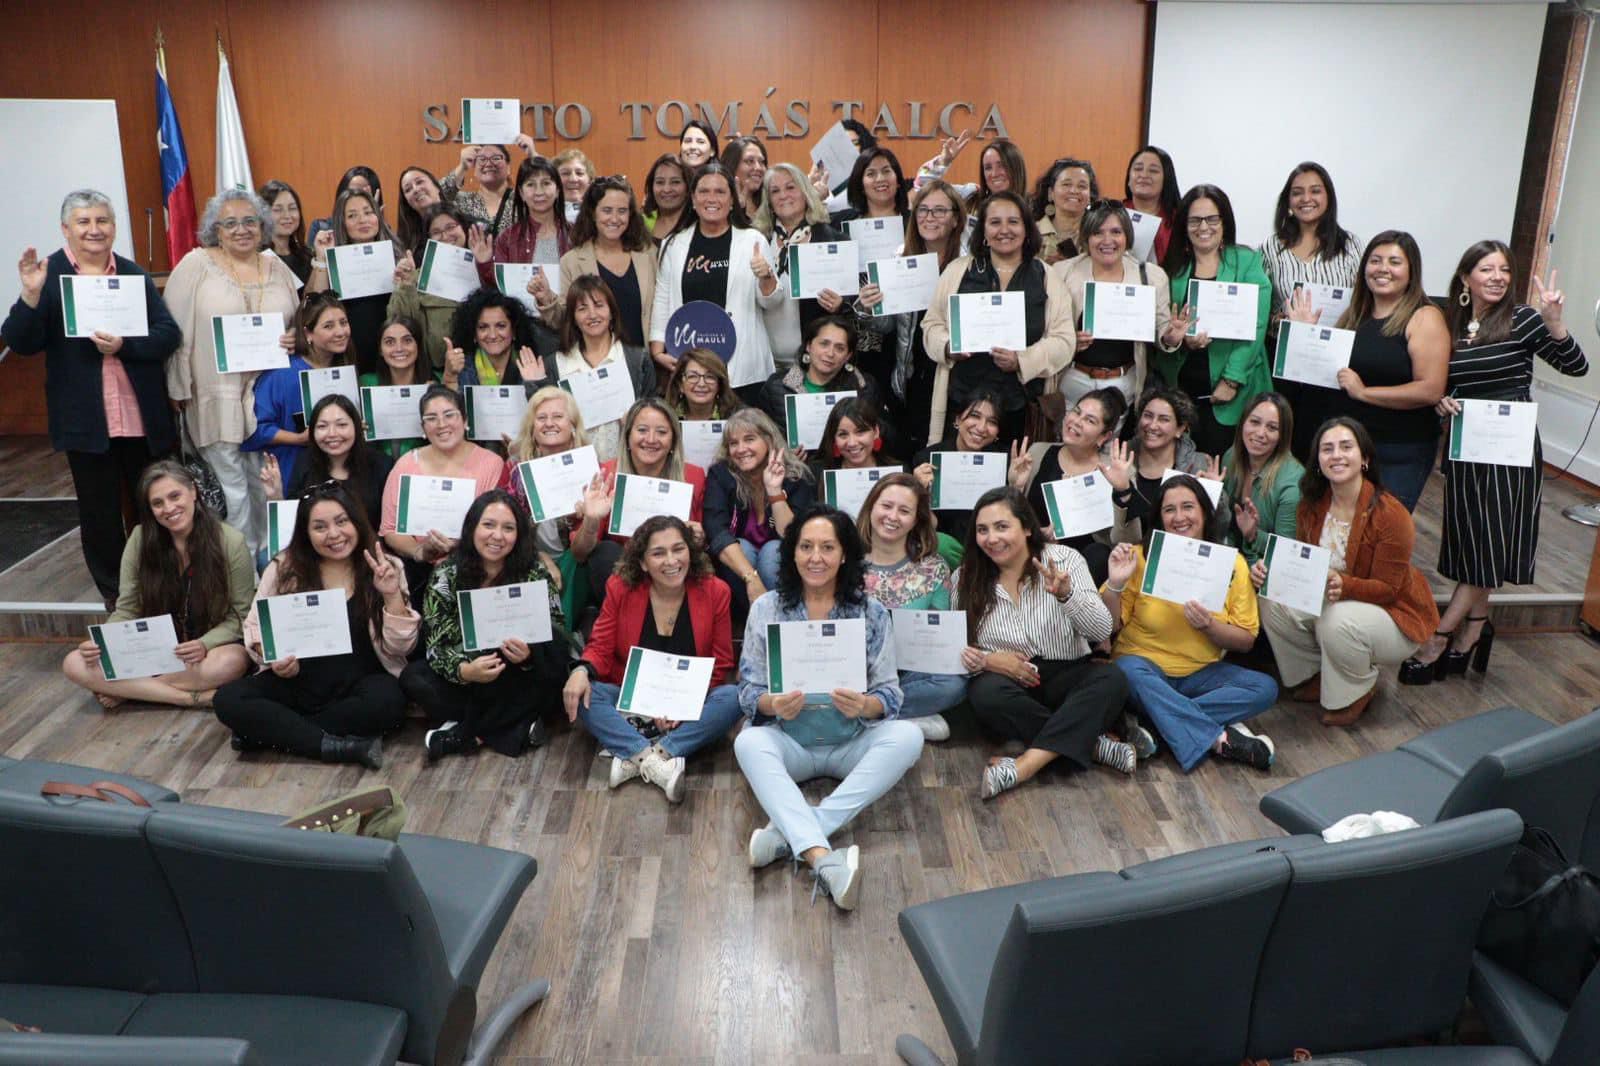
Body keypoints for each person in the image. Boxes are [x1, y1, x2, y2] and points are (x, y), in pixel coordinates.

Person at [1400, 242, 1587, 684]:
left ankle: (1440, 637)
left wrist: (1556, 323)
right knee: (1473, 542)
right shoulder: (1449, 323)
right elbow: (1439, 383)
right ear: (1466, 277)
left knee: (1488, 544)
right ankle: (1475, 632)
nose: (1498, 277)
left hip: (1511, 451)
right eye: (1487, 269)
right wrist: (1442, 403)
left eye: (1505, 269)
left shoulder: (1523, 319)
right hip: (1468, 449)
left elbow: (1576, 366)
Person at [734, 506, 922, 911]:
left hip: (850, 739)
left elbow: (891, 695)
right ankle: (823, 859)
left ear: (843, 555)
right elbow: (747, 691)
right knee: (747, 743)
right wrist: (772, 703)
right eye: (805, 547)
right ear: (793, 553)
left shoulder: (870, 611)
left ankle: (790, 836)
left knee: (909, 735)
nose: (815, 557)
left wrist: (867, 705)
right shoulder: (766, 608)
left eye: (827, 547)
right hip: (791, 741)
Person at [4, 189, 182, 605]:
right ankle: (117, 598)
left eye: (102, 221)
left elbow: (167, 334)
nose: (94, 230)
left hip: (140, 418)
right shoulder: (49, 278)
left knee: (152, 509)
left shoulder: (134, 275)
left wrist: (125, 344)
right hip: (86, 423)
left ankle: (160, 588)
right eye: (83, 222)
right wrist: (30, 296)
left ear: (114, 227)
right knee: (100, 515)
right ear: (66, 229)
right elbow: (20, 342)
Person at [216, 482, 416, 769]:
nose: (333, 534)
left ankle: (271, 734)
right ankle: (333, 746)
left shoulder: (387, 566)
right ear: (306, 533)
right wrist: (274, 658)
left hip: (359, 680)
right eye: (319, 527)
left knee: (389, 704)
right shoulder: (283, 567)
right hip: (298, 678)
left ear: (357, 522)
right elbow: (256, 629)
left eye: (341, 522)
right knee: (228, 699)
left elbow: (402, 647)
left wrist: (391, 595)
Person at [1255, 417, 1440, 726]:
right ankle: (1315, 675)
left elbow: (1389, 588)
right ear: (1318, 462)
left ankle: (1356, 690)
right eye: (1327, 449)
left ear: (1365, 458)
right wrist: (1270, 572)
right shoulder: (1311, 505)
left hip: (1393, 613)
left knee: (1336, 619)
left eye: (1345, 447)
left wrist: (1344, 585)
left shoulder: (1391, 514)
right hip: (1334, 598)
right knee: (1271, 601)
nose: (1336, 455)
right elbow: (1303, 564)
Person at [954, 488, 1131, 798]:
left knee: (1111, 678)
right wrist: (988, 660)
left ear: (1025, 527)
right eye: (982, 530)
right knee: (984, 693)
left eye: (1001, 527)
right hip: (1010, 682)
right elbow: (959, 648)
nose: (991, 538)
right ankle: (1090, 743)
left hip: (1067, 671)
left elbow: (1101, 629)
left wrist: (1066, 596)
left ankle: (1024, 766)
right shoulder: (965, 577)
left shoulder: (1065, 559)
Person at [1103, 476, 1278, 772]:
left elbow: (1246, 640)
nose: (1179, 517)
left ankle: (1157, 723)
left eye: (1188, 507)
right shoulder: (1139, 556)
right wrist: (1116, 585)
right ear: (1159, 516)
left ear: (1205, 513)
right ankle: (1219, 738)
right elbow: (1107, 628)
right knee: (1126, 671)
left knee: (1264, 687)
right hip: (1144, 670)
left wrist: (1209, 625)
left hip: (1200, 675)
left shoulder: (1232, 563)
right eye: (1169, 510)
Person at [564, 515, 744, 800]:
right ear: (644, 562)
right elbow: (601, 643)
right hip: (632, 698)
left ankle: (639, 754)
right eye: (658, 553)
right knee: (587, 694)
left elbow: (720, 662)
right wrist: (581, 670)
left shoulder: (716, 592)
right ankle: (658, 759)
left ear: (690, 551)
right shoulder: (620, 588)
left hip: (687, 700)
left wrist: (681, 708)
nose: (671, 561)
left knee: (734, 697)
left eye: (678, 549)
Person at [163, 188, 301, 557]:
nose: (241, 229)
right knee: (232, 490)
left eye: (250, 221)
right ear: (216, 230)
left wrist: (294, 337)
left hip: (269, 398)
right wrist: (177, 386)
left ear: (262, 225)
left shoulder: (276, 264)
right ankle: (241, 575)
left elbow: (302, 319)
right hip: (215, 396)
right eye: (230, 223)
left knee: (267, 484)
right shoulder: (195, 265)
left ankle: (274, 565)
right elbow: (174, 332)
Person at [61, 462, 253, 709]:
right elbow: (127, 608)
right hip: (152, 650)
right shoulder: (140, 539)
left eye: (175, 496)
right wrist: (103, 644)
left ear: (193, 492)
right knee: (74, 662)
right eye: (158, 503)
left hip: (204, 651)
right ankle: (188, 698)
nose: (169, 508)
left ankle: (130, 690)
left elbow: (240, 616)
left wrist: (205, 643)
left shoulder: (231, 542)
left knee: (232, 662)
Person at [401, 490, 572, 759]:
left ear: (519, 535)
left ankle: (468, 733)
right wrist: (465, 670)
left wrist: (529, 656)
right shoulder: (446, 574)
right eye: (488, 525)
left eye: (508, 528)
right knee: (414, 677)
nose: (497, 536)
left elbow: (556, 631)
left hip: (518, 672)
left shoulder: (534, 571)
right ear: (472, 529)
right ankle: (513, 729)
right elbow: (436, 646)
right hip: (471, 677)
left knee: (556, 673)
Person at [1285, 231, 1449, 510]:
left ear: (1411, 270)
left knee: (1381, 531)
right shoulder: (1354, 314)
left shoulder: (1424, 316)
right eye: (1375, 260)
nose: (1383, 268)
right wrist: (1305, 334)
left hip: (1398, 449)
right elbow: (1329, 373)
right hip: (1350, 447)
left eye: (1394, 261)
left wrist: (1365, 393)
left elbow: (1430, 389)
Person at [922, 190, 1076, 449]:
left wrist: (1022, 360)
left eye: (1013, 222)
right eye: (995, 222)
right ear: (982, 231)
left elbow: (1064, 341)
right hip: (961, 400)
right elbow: (931, 325)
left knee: (1013, 481)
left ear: (1027, 229)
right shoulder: (958, 271)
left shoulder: (1047, 276)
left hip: (1020, 407)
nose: (1004, 230)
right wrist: (949, 346)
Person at [650, 163, 784, 393]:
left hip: (743, 370)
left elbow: (772, 303)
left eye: (720, 191)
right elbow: (662, 298)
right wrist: (657, 350)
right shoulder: (674, 244)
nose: (711, 198)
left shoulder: (753, 241)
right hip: (690, 368)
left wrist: (766, 278)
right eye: (704, 191)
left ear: (732, 200)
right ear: (693, 199)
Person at [1160, 184, 1273, 456]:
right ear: (1184, 225)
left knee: (1225, 470)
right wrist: (1180, 341)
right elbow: (1164, 328)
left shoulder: (1246, 261)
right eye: (1195, 220)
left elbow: (1256, 326)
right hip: (1183, 389)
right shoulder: (1173, 268)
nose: (1203, 227)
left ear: (1224, 222)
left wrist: (1232, 380)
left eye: (1212, 219)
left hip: (1235, 392)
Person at [858, 473, 966, 741]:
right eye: (886, 506)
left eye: (904, 511)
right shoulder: (842, 558)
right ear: (871, 506)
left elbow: (940, 636)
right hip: (853, 668)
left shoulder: (933, 567)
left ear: (917, 519)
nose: (893, 516)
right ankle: (906, 716)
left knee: (953, 682)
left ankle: (865, 717)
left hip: (906, 670)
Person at [576, 398, 709, 606]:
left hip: (673, 571)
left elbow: (700, 549)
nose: (651, 439)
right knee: (604, 553)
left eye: (662, 432)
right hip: (624, 576)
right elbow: (580, 553)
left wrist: (698, 540)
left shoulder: (693, 476)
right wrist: (591, 521)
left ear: (673, 440)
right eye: (642, 430)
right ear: (627, 436)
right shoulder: (607, 475)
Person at [1054, 198, 1186, 406]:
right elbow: (1048, 331)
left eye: (1116, 232)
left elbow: (1161, 329)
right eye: (1098, 232)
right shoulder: (1063, 273)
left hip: (1125, 383)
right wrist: (1070, 342)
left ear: (1127, 236)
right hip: (1072, 381)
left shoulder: (1151, 276)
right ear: (1087, 237)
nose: (1107, 240)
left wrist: (1169, 337)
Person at [876, 180, 968, 456]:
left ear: (956, 219)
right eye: (923, 210)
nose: (929, 218)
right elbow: (886, 327)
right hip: (910, 370)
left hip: (951, 369)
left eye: (939, 211)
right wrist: (871, 307)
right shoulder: (898, 258)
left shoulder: (970, 264)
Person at [379, 385, 507, 583]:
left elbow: (500, 523)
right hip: (419, 573)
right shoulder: (405, 465)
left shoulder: (491, 463)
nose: (441, 424)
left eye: (449, 415)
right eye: (431, 418)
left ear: (465, 420)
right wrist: (420, 551)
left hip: (478, 569)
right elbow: (390, 529)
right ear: (423, 428)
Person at [1007, 387, 1133, 585]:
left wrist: (1123, 491)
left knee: (1099, 554)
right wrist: (1016, 487)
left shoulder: (1114, 470)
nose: (1076, 422)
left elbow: (1126, 541)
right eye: (1076, 411)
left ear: (1104, 437)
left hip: (1083, 571)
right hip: (1031, 554)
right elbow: (1008, 520)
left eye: (1090, 420)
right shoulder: (1038, 452)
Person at [703, 407, 814, 615]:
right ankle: (759, 621)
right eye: (733, 443)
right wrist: (751, 578)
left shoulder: (796, 476)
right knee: (741, 547)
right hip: (739, 575)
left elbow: (796, 537)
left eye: (749, 439)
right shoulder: (720, 475)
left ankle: (783, 618)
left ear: (769, 440)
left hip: (784, 569)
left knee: (773, 551)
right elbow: (716, 530)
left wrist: (774, 491)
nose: (741, 448)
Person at [243, 290, 353, 495]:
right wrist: (298, 439)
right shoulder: (281, 375)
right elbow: (255, 431)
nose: (340, 332)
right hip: (293, 477)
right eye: (329, 326)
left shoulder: (347, 370)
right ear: (308, 333)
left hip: (341, 478)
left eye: (343, 322)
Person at [498, 384, 593, 622]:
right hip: (527, 553)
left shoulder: (590, 467)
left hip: (576, 556)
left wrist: (586, 516)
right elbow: (505, 523)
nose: (549, 423)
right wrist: (539, 556)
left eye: (558, 416)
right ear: (532, 428)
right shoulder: (515, 469)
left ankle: (562, 640)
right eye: (541, 418)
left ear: (573, 426)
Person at [543, 276, 657, 462]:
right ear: (573, 317)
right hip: (576, 469)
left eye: (599, 305)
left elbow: (654, 413)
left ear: (612, 311)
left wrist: (637, 420)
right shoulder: (556, 364)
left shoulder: (636, 359)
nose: (592, 314)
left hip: (629, 465)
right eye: (582, 308)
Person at [534, 177, 657, 347]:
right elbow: (565, 320)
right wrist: (546, 299)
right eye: (607, 210)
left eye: (622, 211)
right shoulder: (572, 261)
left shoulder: (648, 254)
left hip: (643, 363)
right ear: (593, 213)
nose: (614, 219)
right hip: (595, 364)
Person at [750, 162, 845, 368]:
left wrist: (840, 304)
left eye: (791, 187)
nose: (783, 195)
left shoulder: (835, 241)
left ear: (805, 193)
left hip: (814, 365)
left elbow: (851, 309)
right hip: (764, 362)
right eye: (775, 191)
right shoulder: (756, 241)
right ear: (769, 201)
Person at [1258, 162, 1360, 346]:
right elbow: (1259, 309)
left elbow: (1366, 300)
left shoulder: (1350, 244)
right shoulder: (1269, 247)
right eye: (1297, 193)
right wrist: (1278, 321)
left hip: (1337, 351)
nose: (1306, 198)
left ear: (1328, 197)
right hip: (1285, 350)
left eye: (1315, 191)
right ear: (1288, 201)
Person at [260, 393, 394, 532]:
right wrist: (276, 497)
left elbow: (390, 526)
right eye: (322, 426)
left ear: (357, 427)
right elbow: (293, 529)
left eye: (341, 425)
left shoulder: (381, 465)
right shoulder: (304, 462)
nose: (332, 434)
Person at [306, 188, 403, 375]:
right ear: (342, 223)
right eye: (352, 215)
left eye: (368, 212)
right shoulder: (334, 260)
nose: (362, 220)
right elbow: (314, 305)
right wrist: (323, 258)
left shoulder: (397, 256)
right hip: (348, 355)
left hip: (394, 353)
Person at [1113, 387, 1228, 542]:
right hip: (1129, 553)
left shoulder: (1199, 465)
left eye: (1163, 419)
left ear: (1180, 429)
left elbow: (1220, 529)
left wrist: (1216, 497)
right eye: (1148, 416)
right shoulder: (1119, 461)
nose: (1152, 425)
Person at [911, 390, 1008, 569]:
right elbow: (922, 527)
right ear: (957, 420)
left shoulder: (1004, 461)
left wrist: (1017, 484)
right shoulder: (928, 459)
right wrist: (918, 492)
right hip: (942, 552)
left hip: (989, 548)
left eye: (992, 422)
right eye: (974, 416)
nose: (981, 427)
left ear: (997, 432)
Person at [389, 204, 491, 374]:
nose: (445, 236)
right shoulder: (417, 276)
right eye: (436, 232)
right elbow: (398, 321)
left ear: (464, 228)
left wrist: (485, 266)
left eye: (451, 227)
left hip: (485, 368)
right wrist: (406, 285)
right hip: (437, 371)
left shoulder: (484, 266)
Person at [757, 315, 884, 435]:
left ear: (848, 356)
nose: (830, 353)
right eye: (824, 344)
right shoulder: (776, 387)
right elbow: (762, 437)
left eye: (839, 348)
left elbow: (886, 435)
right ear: (808, 346)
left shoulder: (864, 387)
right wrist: (785, 451)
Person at [1221, 392, 1303, 565]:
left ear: (1283, 436)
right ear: (1243, 422)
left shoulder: (1293, 482)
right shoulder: (1231, 456)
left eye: (1272, 428)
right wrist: (1213, 493)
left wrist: (1254, 534)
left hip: (1264, 569)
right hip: (1229, 558)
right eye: (1254, 422)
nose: (1260, 433)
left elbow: (1288, 552)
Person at [477, 157, 572, 290]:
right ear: (521, 193)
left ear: (557, 190)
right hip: (521, 310)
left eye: (546, 183)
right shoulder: (507, 238)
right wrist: (485, 263)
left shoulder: (576, 233)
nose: (539, 192)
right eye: (530, 185)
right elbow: (500, 288)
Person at [443, 288, 553, 390]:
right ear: (474, 334)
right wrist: (450, 377)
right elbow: (452, 407)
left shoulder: (534, 364)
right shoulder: (461, 367)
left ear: (514, 330)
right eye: (483, 327)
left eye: (501, 326)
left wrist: (537, 383)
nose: (492, 335)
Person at [358, 314, 432, 458]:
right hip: (376, 468)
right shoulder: (365, 384)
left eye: (407, 340)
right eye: (390, 342)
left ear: (418, 345)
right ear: (380, 349)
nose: (399, 348)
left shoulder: (433, 385)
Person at [442, 140, 538, 236]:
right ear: (474, 170)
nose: (488, 164)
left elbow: (549, 192)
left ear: (508, 167)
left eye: (496, 158)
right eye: (482, 159)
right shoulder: (463, 200)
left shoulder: (523, 198)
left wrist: (533, 154)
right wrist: (462, 167)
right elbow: (438, 196)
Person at [813, 397, 896, 487]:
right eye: (843, 434)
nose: (852, 443)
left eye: (860, 432)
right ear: (834, 438)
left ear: (876, 432)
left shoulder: (897, 472)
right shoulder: (817, 473)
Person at [1031, 157, 1097, 264]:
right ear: (1050, 193)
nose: (1074, 191)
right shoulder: (1030, 233)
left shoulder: (1099, 234)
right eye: (1066, 184)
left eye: (1082, 186)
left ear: (1090, 196)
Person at [1121, 145, 1180, 263]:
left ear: (1166, 179)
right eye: (1138, 169)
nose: (1144, 175)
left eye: (1153, 171)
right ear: (1128, 179)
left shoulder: (1179, 219)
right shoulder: (1112, 213)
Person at [305, 165, 384, 245]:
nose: (358, 198)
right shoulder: (322, 229)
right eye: (353, 192)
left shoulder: (382, 229)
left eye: (365, 194)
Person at [665, 346, 742, 421]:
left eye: (709, 377)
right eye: (693, 376)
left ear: (719, 384)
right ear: (680, 384)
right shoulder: (665, 417)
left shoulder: (739, 418)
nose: (701, 384)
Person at [259, 179, 312, 283]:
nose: (287, 216)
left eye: (292, 208)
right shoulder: (257, 258)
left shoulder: (307, 255)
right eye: (278, 210)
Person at [395, 165, 448, 260]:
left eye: (419, 182)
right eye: (408, 189)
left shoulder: (466, 224)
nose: (415, 189)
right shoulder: (407, 243)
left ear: (437, 187)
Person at [641, 153, 691, 240]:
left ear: (687, 187)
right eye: (660, 182)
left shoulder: (699, 224)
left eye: (675, 182)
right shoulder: (640, 224)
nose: (666, 189)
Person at [721, 135, 768, 220]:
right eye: (750, 161)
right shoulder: (719, 206)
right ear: (732, 165)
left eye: (761, 162)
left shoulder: (771, 205)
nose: (758, 167)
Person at [554, 147, 595, 224]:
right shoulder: (542, 214)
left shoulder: (601, 213)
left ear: (590, 180)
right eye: (565, 173)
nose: (573, 179)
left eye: (579, 173)